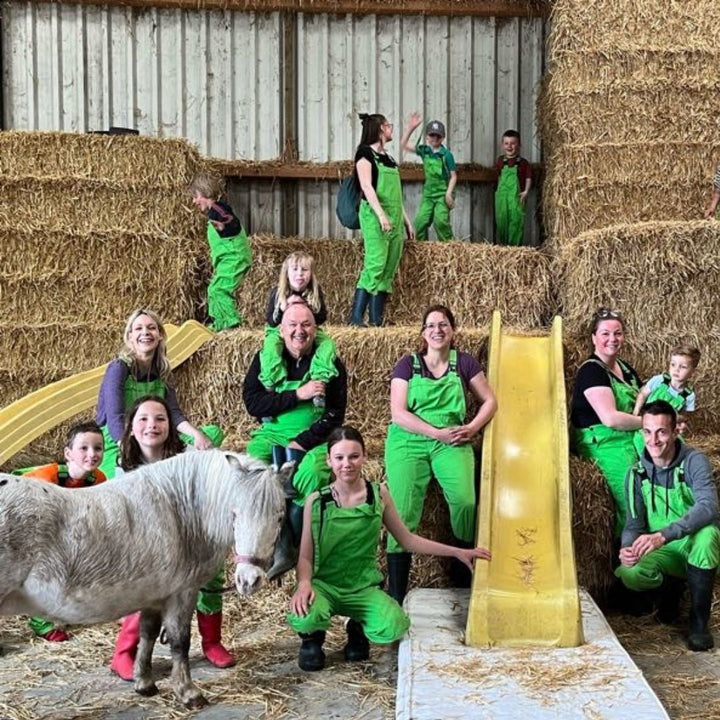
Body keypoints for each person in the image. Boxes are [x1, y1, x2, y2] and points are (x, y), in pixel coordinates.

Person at [287, 426, 491, 671]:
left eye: (354, 456)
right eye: (339, 458)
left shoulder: (378, 494)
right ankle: (313, 640)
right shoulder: (316, 500)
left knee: (394, 626)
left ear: (364, 457)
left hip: (361, 586)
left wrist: (458, 551)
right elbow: (306, 554)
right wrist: (304, 583)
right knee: (304, 614)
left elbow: (407, 539)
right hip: (325, 585)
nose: (347, 464)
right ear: (329, 460)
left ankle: (357, 627)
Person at [110, 396, 235, 680]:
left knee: (210, 574)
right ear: (131, 427)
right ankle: (124, 653)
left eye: (160, 419)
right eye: (143, 419)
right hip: (146, 544)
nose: (151, 425)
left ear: (171, 427)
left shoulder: (189, 458)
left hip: (188, 539)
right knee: (141, 583)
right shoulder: (123, 465)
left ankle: (212, 641)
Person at [383, 305, 497, 603]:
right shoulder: (407, 365)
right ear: (423, 333)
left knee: (465, 501)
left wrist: (471, 428)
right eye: (431, 325)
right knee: (403, 510)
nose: (437, 330)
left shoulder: (465, 363)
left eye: (443, 324)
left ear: (452, 330)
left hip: (453, 439)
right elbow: (398, 413)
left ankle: (463, 578)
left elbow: (490, 401)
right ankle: (396, 594)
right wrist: (435, 433)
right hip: (410, 440)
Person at [243, 302, 347, 578]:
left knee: (312, 472)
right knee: (250, 467)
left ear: (315, 329)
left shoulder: (330, 363)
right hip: (272, 434)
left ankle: (305, 551)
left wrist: (302, 442)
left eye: (306, 325)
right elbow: (254, 403)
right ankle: (279, 546)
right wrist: (298, 395)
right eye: (293, 325)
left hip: (315, 437)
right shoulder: (265, 359)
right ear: (281, 329)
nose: (299, 331)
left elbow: (335, 415)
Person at [616, 401, 720, 651]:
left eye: (661, 431)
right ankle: (670, 591)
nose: (653, 440)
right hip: (663, 548)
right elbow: (633, 524)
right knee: (630, 572)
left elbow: (709, 506)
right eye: (647, 431)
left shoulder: (694, 461)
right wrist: (627, 548)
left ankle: (698, 623)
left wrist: (664, 535)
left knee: (708, 535)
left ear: (675, 432)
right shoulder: (636, 473)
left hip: (691, 543)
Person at [96, 308, 223, 479]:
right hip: (119, 437)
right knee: (120, 478)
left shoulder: (163, 371)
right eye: (138, 329)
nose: (145, 333)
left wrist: (196, 435)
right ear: (129, 337)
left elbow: (174, 413)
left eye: (151, 328)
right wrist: (129, 448)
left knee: (212, 434)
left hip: (154, 431)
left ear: (160, 335)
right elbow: (114, 418)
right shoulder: (119, 368)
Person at [21, 422, 106, 642]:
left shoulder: (98, 480)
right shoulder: (45, 477)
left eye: (98, 448)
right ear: (68, 453)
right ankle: (40, 621)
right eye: (84, 448)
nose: (92, 454)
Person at [571, 309, 642, 536]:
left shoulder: (627, 369)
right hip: (603, 441)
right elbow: (610, 419)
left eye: (618, 333)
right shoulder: (591, 371)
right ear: (594, 337)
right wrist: (647, 422)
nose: (613, 339)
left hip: (631, 435)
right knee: (633, 495)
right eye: (605, 333)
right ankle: (630, 557)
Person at [349, 112, 415, 327]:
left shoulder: (389, 158)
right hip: (375, 215)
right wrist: (381, 216)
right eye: (388, 126)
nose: (391, 129)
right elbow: (367, 187)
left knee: (389, 266)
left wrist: (406, 221)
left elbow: (396, 196)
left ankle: (377, 320)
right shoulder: (364, 155)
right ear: (379, 130)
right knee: (375, 263)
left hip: (394, 216)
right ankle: (356, 318)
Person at [260, 251, 337, 409]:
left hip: (309, 330)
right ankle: (270, 385)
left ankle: (319, 381)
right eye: (294, 269)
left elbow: (322, 317)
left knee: (327, 344)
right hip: (280, 331)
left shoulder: (314, 291)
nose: (299, 274)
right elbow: (271, 321)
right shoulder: (278, 292)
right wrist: (283, 307)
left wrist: (307, 308)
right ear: (286, 273)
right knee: (270, 347)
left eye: (304, 270)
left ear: (311, 273)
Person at [189, 171, 252, 331]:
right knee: (213, 288)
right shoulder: (213, 212)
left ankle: (230, 323)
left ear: (205, 192)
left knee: (219, 289)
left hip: (234, 258)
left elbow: (231, 220)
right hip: (228, 259)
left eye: (196, 196)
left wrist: (224, 225)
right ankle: (220, 321)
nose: (194, 201)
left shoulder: (218, 208)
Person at [632, 344, 700, 454]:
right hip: (647, 424)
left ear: (693, 372)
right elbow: (643, 394)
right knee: (642, 443)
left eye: (683, 367)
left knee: (680, 447)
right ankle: (648, 465)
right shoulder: (659, 381)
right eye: (673, 365)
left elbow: (685, 415)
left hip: (667, 429)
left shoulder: (688, 395)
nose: (676, 370)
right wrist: (636, 412)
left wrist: (678, 419)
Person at [400, 113, 457, 241]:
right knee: (420, 223)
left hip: (442, 193)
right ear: (426, 137)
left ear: (443, 138)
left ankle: (449, 248)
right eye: (432, 135)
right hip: (428, 194)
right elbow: (403, 144)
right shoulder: (424, 150)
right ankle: (422, 250)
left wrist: (448, 194)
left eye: (438, 136)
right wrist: (411, 128)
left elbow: (453, 176)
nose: (435, 138)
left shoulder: (446, 155)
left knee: (440, 221)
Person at [494, 129, 531, 246]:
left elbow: (528, 178)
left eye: (513, 143)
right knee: (502, 221)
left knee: (516, 221)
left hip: (516, 197)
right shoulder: (500, 161)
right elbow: (499, 177)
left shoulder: (523, 163)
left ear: (519, 145)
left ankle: (514, 249)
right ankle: (503, 248)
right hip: (502, 197)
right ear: (502, 145)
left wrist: (526, 191)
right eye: (506, 143)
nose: (509, 146)